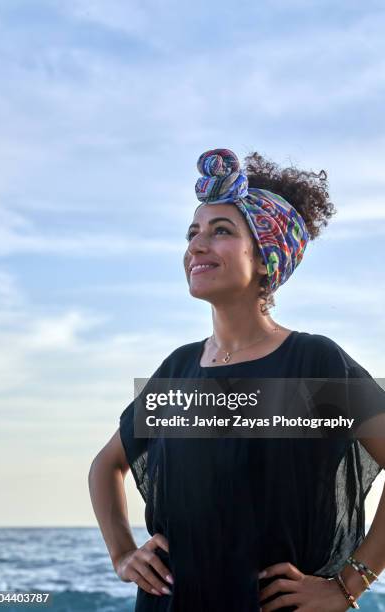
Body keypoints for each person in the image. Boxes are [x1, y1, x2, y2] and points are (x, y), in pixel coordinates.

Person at [88, 148, 385, 611]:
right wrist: (123, 553)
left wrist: (349, 584)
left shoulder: (313, 362)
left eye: (220, 231)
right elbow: (106, 466)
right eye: (193, 233)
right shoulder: (178, 371)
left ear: (266, 259)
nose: (196, 246)